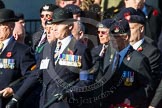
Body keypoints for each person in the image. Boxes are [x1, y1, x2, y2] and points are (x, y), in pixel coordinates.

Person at [6, 8, 93, 108]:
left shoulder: (80, 49)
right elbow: (35, 75)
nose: (54, 28)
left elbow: (86, 80)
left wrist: (70, 92)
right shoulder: (48, 47)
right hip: (45, 102)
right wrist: (16, 97)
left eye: (59, 24)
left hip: (65, 104)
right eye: (53, 24)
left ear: (70, 26)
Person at [101, 19, 153, 108]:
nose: (111, 40)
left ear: (125, 37)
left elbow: (147, 87)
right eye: (110, 36)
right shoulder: (108, 55)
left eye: (115, 37)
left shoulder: (138, 60)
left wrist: (131, 100)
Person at [0, 8, 36, 108]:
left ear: (11, 26)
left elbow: (31, 76)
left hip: (9, 103)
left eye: (1, 25)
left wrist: (13, 89)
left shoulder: (22, 50)